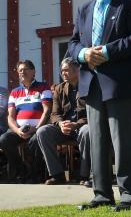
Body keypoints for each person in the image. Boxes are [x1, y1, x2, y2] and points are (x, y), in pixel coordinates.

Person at [66, 0, 131, 211]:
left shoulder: (129, 6)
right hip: (92, 84)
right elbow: (73, 43)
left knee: (123, 142)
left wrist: (107, 52)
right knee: (97, 141)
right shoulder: (84, 9)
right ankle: (101, 194)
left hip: (119, 83)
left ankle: (130, 196)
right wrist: (83, 55)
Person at [36, 57, 90, 185]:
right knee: (42, 131)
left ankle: (85, 175)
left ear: (77, 70)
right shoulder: (59, 89)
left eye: (67, 70)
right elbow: (54, 113)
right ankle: (57, 175)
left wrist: (76, 124)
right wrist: (60, 124)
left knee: (86, 131)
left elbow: (93, 112)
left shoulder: (88, 86)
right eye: (62, 71)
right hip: (64, 128)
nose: (63, 73)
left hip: (82, 126)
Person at [0, 59, 52, 182]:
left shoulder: (43, 87)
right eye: (19, 70)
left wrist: (37, 128)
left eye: (25, 69)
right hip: (20, 130)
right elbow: (10, 117)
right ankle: (21, 168)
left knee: (35, 140)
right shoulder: (15, 92)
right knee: (4, 139)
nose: (22, 72)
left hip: (37, 129)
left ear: (33, 71)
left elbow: (47, 111)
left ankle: (34, 174)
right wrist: (17, 130)